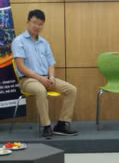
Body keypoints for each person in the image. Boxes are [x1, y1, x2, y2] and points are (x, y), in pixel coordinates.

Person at [11, 9, 78, 139]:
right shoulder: (19, 41)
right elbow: (21, 67)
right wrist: (40, 79)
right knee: (41, 90)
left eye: (40, 24)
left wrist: (51, 77)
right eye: (34, 22)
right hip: (28, 80)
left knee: (72, 90)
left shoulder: (44, 43)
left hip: (46, 78)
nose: (37, 26)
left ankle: (62, 124)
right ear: (28, 22)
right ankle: (46, 126)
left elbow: (51, 63)